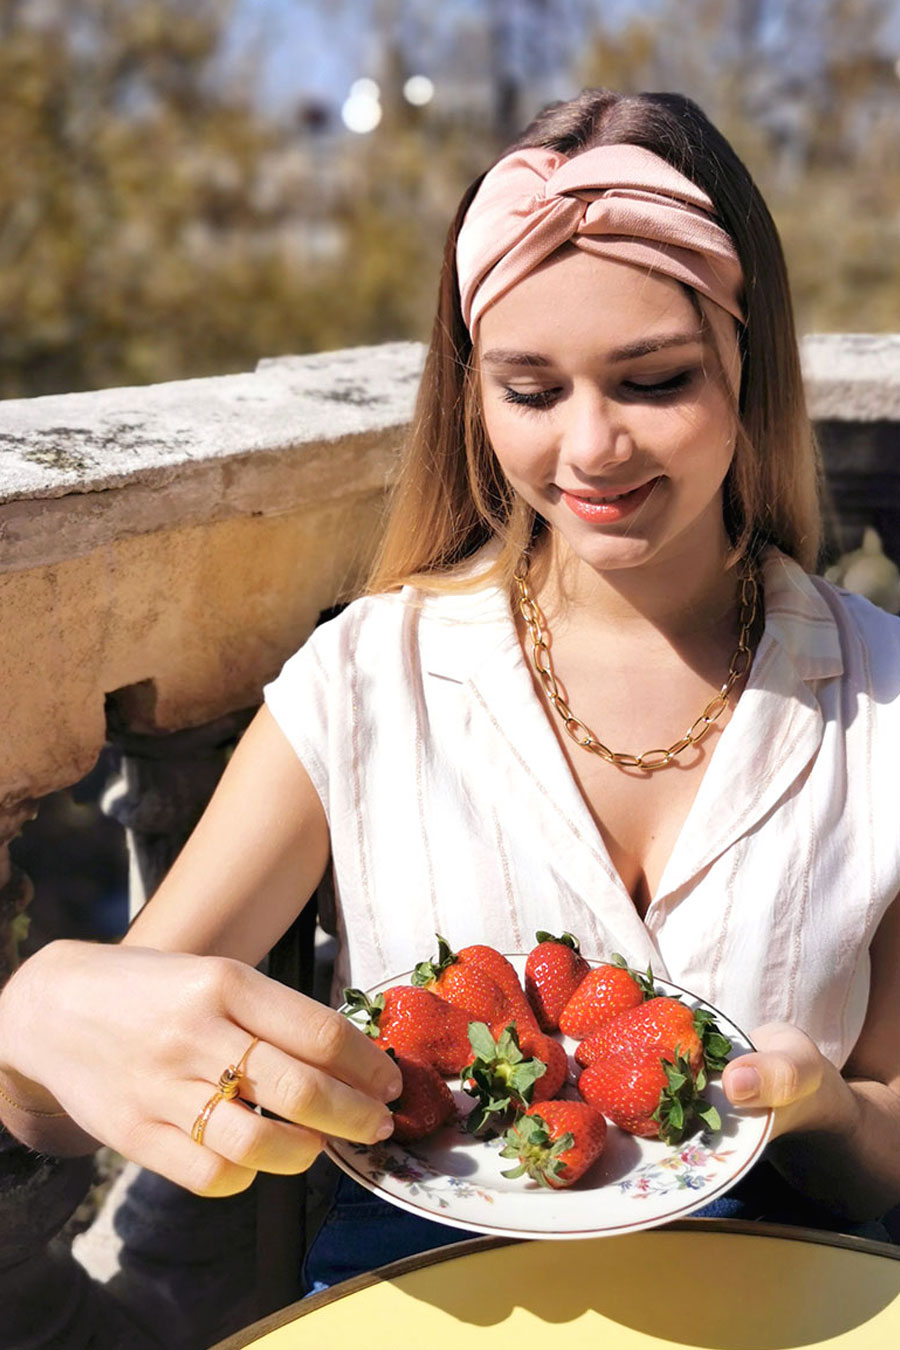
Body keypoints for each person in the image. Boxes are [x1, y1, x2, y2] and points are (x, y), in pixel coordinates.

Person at [1, 86, 899, 1318]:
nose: (591, 449)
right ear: (474, 398)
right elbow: (84, 1075)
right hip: (426, 1311)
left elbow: (884, 1155)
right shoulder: (368, 681)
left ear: (748, 366)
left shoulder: (886, 705)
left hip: (774, 1300)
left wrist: (826, 1108)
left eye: (653, 380)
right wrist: (33, 1017)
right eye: (532, 391)